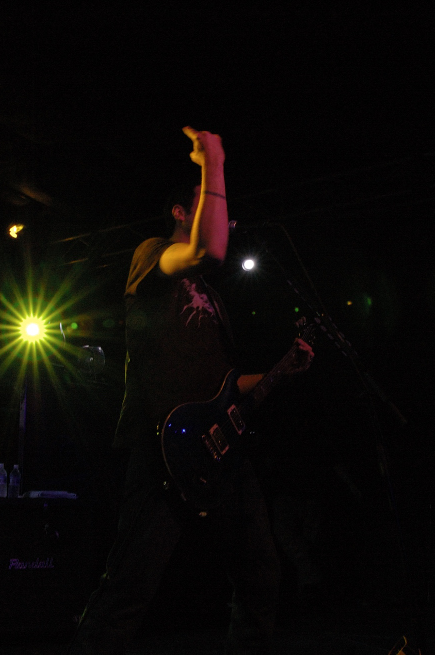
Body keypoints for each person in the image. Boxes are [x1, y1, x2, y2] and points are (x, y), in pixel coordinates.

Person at [69, 127, 314, 655]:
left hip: (217, 451)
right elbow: (208, 250)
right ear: (182, 212)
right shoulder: (152, 254)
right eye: (206, 202)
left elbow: (226, 385)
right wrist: (213, 160)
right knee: (129, 586)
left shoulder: (213, 300)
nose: (219, 210)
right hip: (162, 444)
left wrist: (279, 372)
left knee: (261, 572)